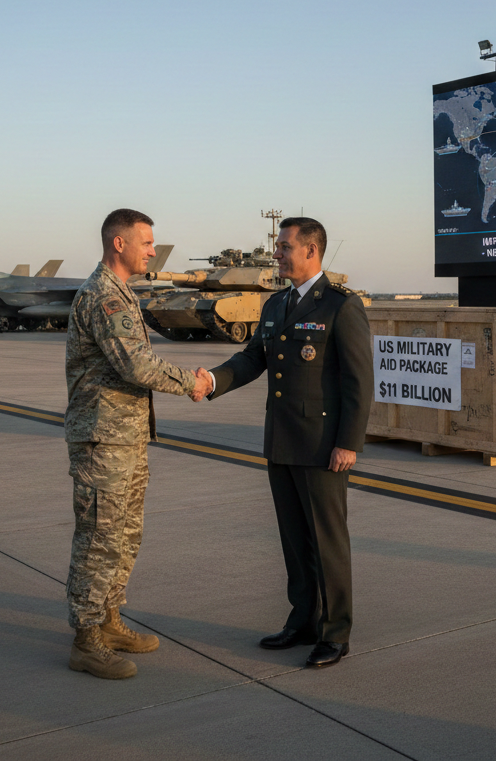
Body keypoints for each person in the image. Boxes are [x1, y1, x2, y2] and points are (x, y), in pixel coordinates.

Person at [199, 216, 372, 668]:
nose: (276, 253)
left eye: (284, 247)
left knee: (327, 543)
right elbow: (252, 358)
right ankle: (303, 622)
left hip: (322, 446)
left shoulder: (340, 306)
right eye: (277, 247)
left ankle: (335, 633)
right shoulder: (276, 304)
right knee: (294, 541)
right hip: (282, 440)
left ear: (311, 250)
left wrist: (348, 443)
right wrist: (213, 380)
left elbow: (359, 382)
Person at [65, 208, 213, 679]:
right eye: (146, 242)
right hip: (103, 440)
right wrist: (191, 382)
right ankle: (86, 639)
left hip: (125, 437)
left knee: (124, 536)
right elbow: (136, 366)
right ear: (119, 243)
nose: (152, 250)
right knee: (99, 538)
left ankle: (109, 621)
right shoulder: (103, 296)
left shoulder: (121, 291)